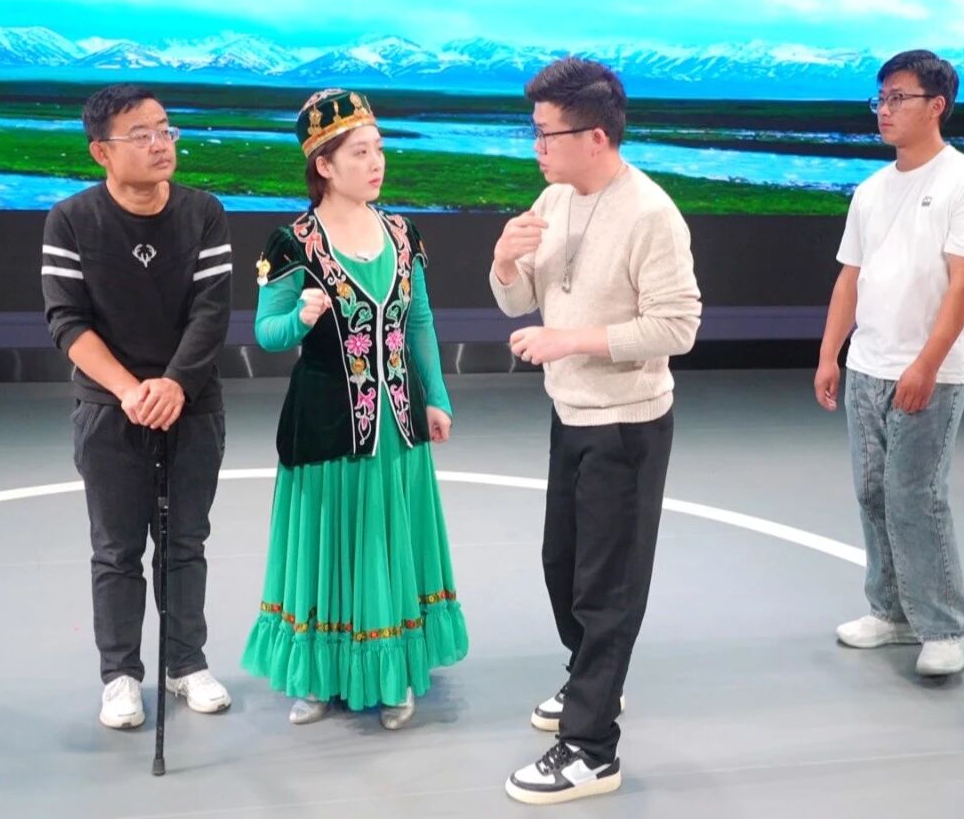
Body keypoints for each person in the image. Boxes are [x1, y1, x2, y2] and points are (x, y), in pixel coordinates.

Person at [490, 57, 701, 804]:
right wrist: (504, 261)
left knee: (607, 588)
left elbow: (678, 326)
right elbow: (519, 301)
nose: (536, 148)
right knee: (564, 567)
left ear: (597, 137)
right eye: (534, 131)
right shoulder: (555, 197)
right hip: (570, 412)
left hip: (626, 424)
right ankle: (592, 682)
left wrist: (570, 341)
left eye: (547, 134)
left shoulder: (650, 214)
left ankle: (590, 750)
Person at [242, 88, 467, 728]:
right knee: (326, 550)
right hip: (325, 426)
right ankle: (318, 675)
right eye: (360, 152)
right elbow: (265, 332)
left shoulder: (402, 233)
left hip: (397, 426)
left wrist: (437, 397)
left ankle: (391, 676)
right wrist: (299, 317)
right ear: (324, 164)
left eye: (379, 150)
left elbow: (419, 322)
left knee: (388, 545)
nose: (376, 163)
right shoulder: (292, 243)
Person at [42, 84, 233, 728]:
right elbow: (67, 321)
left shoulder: (204, 212)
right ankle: (120, 675)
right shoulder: (70, 220)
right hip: (108, 408)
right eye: (141, 134)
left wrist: (174, 384)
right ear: (102, 151)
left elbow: (211, 312)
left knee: (185, 542)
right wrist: (129, 390)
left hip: (192, 404)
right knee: (116, 549)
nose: (160, 144)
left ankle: (185, 663)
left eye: (166, 129)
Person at [815, 49, 964, 676]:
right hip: (868, 362)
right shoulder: (871, 190)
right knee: (873, 492)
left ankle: (944, 628)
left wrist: (926, 364)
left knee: (914, 494)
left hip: (930, 370)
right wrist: (831, 353)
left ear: (936, 105)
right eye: (881, 98)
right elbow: (850, 278)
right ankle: (891, 612)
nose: (884, 110)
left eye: (898, 98)